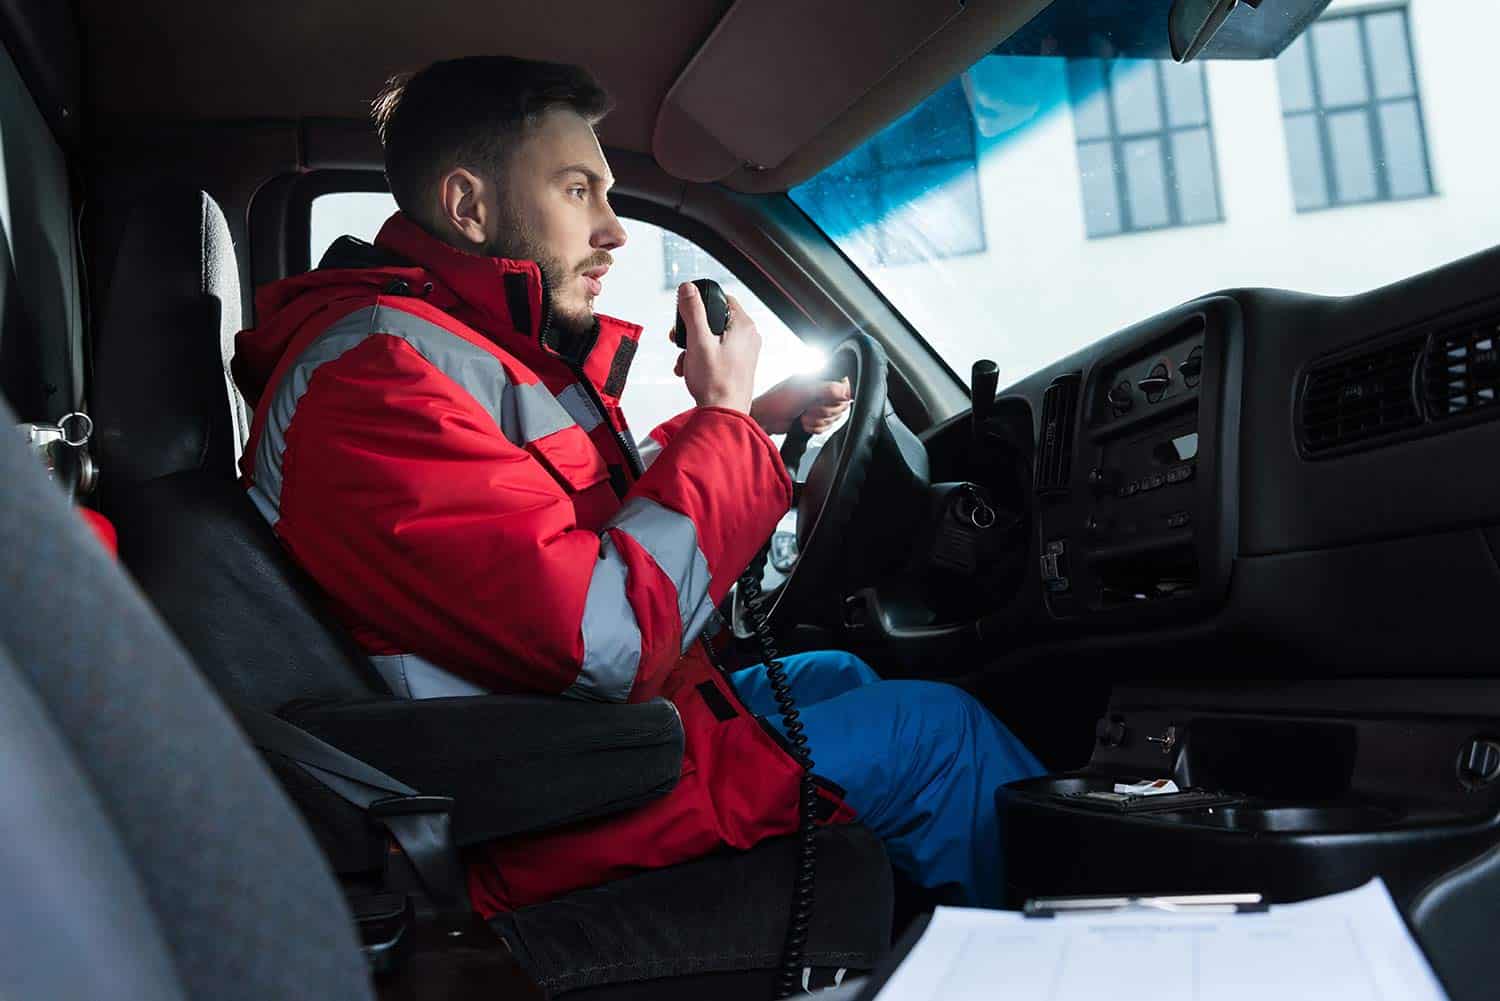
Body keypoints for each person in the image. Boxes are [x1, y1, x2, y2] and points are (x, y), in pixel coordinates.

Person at [232, 55, 1043, 917]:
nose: (614, 230)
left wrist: (746, 423)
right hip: (535, 806)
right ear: (468, 206)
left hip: (580, 745)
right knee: (938, 736)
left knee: (841, 673)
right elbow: (603, 638)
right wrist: (723, 427)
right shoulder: (372, 379)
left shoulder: (459, 349)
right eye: (580, 190)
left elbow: (571, 512)